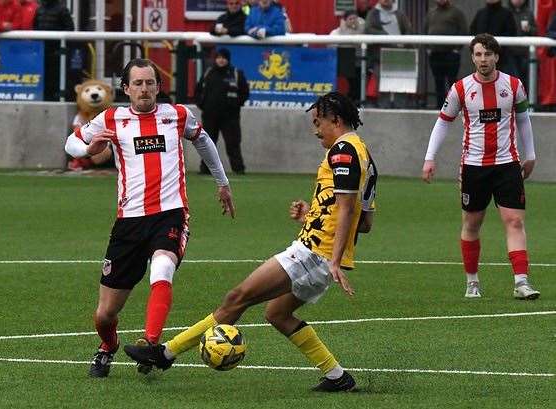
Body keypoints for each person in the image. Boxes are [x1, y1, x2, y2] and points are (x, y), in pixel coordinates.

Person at [123, 91, 378, 392]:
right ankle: (338, 377)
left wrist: (333, 260)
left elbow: (348, 209)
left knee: (237, 298)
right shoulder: (364, 155)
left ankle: (164, 353)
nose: (315, 130)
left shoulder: (342, 152)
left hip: (314, 254)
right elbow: (364, 223)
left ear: (334, 118)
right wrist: (313, 214)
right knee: (277, 314)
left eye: (318, 121)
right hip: (321, 254)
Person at [64, 58, 236, 378]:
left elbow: (203, 140)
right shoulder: (112, 118)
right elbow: (72, 141)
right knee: (104, 315)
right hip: (129, 221)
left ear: (158, 86)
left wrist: (222, 183)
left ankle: (150, 344)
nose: (145, 89)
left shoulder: (177, 115)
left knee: (162, 267)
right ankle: (108, 346)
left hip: (170, 214)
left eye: (150, 83)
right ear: (126, 88)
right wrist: (87, 150)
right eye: (138, 84)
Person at [422, 33, 539, 300]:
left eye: (488, 54)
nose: (483, 59)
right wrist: (430, 157)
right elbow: (443, 122)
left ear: (496, 56)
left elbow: (523, 119)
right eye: (478, 54)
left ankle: (521, 281)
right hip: (474, 166)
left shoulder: (513, 85)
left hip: (507, 163)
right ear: (472, 57)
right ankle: (472, 281)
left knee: (514, 221)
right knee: (472, 223)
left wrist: (530, 154)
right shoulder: (460, 89)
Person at [195, 48, 249, 175]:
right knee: (207, 144)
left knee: (233, 144)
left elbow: (245, 93)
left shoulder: (236, 73)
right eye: (218, 57)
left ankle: (238, 169)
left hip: (230, 117)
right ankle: (205, 169)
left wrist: (235, 105)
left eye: (223, 58)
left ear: (228, 59)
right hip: (210, 116)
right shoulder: (208, 73)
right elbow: (198, 91)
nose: (221, 60)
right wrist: (202, 105)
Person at [424, 0, 468, 108]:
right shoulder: (431, 13)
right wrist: (428, 48)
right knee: (438, 81)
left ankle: (454, 107)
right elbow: (425, 30)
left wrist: (457, 48)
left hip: (451, 54)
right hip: (435, 54)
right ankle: (439, 107)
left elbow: (464, 30)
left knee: (452, 82)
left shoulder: (457, 12)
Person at [33, 0, 75, 101]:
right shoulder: (39, 9)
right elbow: (35, 26)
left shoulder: (62, 9)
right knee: (44, 76)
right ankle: (45, 96)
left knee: (55, 76)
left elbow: (70, 29)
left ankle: (55, 97)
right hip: (42, 50)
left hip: (57, 51)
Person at [470, 0, 518, 76]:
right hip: (482, 56)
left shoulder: (506, 13)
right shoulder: (481, 13)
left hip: (503, 58)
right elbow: (472, 31)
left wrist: (496, 48)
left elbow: (512, 32)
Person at [330, 10, 366, 104]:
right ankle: (351, 99)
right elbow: (330, 45)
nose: (353, 21)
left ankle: (355, 99)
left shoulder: (364, 29)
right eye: (350, 19)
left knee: (359, 81)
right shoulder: (337, 32)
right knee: (353, 83)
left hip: (361, 61)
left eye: (355, 18)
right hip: (345, 62)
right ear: (345, 20)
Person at [508, 0, 537, 92]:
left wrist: (529, 29)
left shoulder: (528, 13)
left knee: (525, 79)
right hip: (509, 52)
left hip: (525, 53)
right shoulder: (506, 13)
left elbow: (535, 31)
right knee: (513, 79)